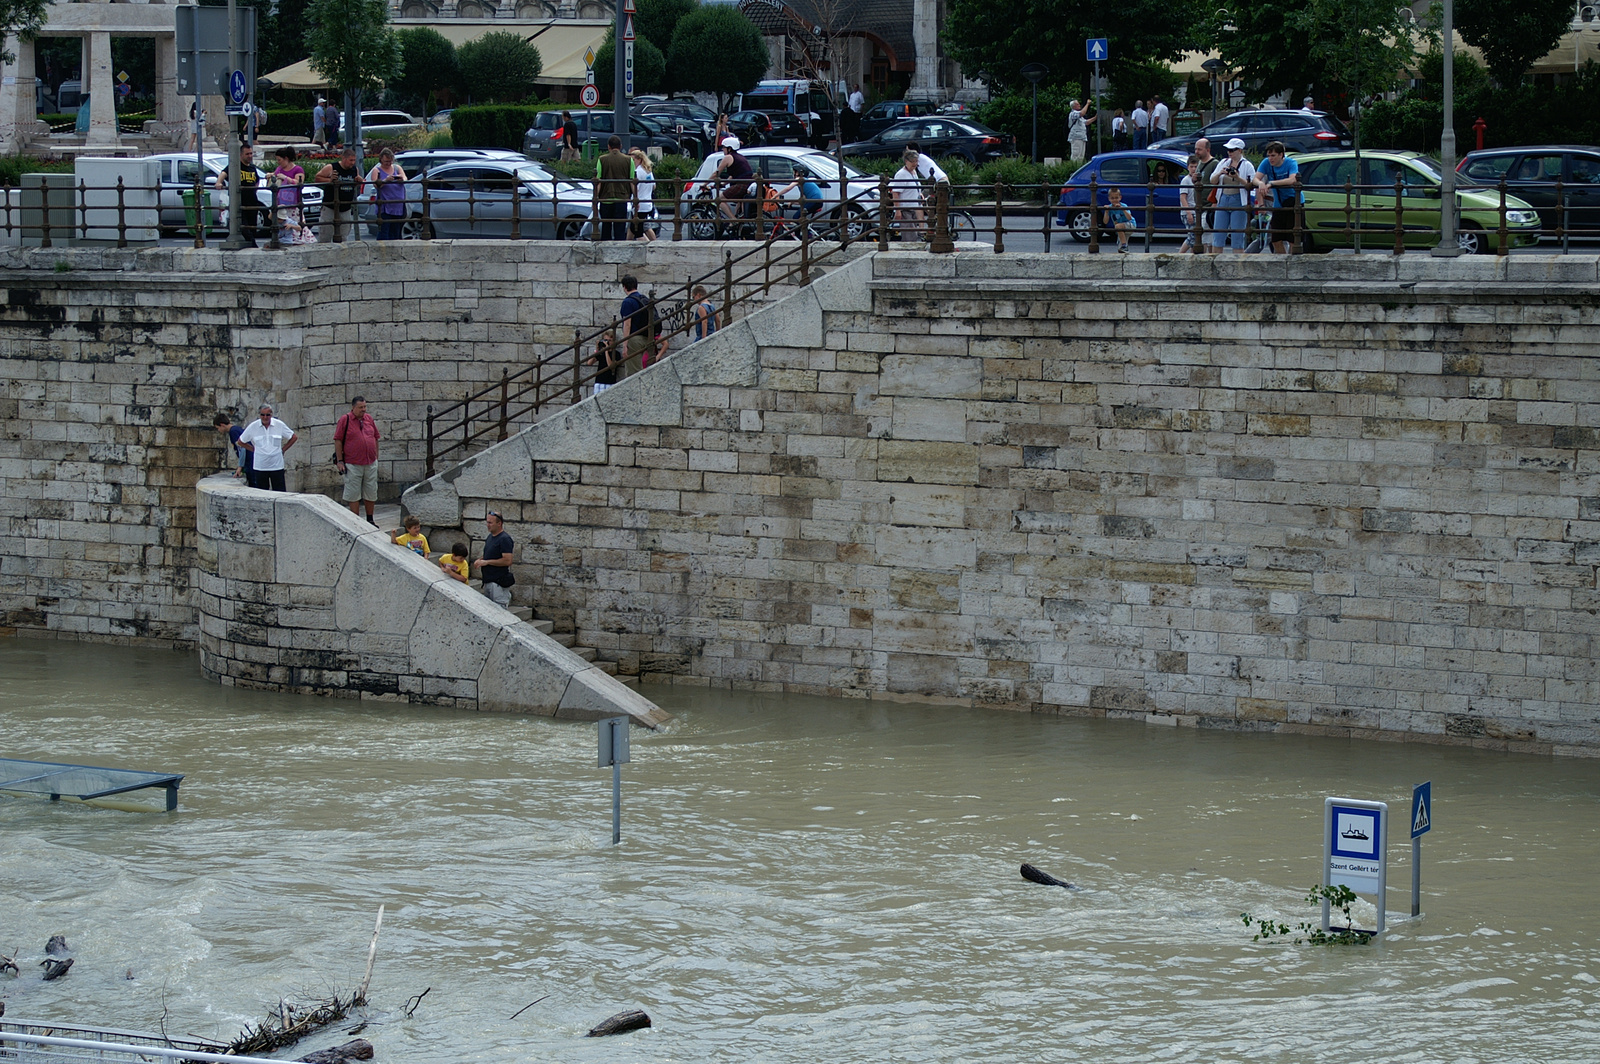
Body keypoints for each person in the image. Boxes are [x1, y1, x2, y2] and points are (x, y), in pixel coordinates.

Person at [334, 395, 380, 522]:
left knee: (371, 491)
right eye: (360, 407)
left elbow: (375, 437)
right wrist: (340, 461)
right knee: (353, 493)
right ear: (353, 408)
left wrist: (376, 456)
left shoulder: (369, 419)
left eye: (365, 406)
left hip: (370, 462)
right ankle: (356, 521)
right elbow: (338, 440)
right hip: (353, 463)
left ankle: (370, 519)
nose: (363, 409)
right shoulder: (345, 420)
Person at [1255, 140, 1301, 255]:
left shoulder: (1291, 163)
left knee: (1293, 238)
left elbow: (1292, 179)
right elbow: (1255, 178)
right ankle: (1282, 259)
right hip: (1278, 203)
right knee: (1275, 238)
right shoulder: (1266, 163)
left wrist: (1272, 183)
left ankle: (1291, 261)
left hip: (1293, 201)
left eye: (1273, 155)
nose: (1271, 158)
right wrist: (1260, 183)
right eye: (1269, 155)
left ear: (1281, 155)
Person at [1211, 137, 1256, 253]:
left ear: (1240, 150)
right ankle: (1216, 262)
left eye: (1232, 150)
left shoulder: (1247, 165)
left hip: (1239, 200)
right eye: (1228, 150)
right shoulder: (1223, 162)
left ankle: (1238, 264)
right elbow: (1212, 180)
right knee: (1218, 234)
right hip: (1223, 198)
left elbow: (1252, 185)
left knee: (1237, 236)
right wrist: (1221, 172)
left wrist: (1237, 177)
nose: (1229, 152)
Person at [237, 404, 296, 492]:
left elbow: (293, 437)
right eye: (262, 415)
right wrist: (254, 449)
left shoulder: (279, 425)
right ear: (259, 415)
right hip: (260, 466)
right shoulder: (253, 426)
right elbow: (241, 441)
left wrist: (283, 450)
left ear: (271, 415)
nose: (265, 417)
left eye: (267, 415)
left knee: (280, 492)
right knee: (262, 492)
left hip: (276, 465)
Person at [314, 147, 364, 243]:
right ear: (344, 159)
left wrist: (358, 182)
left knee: (343, 236)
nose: (353, 162)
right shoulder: (332, 167)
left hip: (346, 207)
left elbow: (354, 185)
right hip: (330, 206)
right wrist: (329, 180)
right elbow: (317, 178)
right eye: (350, 160)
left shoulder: (354, 169)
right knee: (325, 235)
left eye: (354, 160)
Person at [218, 144, 264, 246]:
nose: (250, 156)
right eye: (247, 154)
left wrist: (254, 189)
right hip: (239, 202)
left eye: (251, 153)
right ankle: (253, 245)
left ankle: (250, 244)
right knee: (244, 226)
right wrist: (219, 182)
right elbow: (223, 173)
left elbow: (257, 180)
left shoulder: (252, 167)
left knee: (253, 226)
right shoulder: (235, 166)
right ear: (241, 155)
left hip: (252, 201)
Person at [472, 511, 515, 607]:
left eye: (490, 523)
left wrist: (486, 562)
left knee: (500, 612)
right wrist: (480, 560)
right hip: (488, 581)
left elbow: (508, 560)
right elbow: (490, 555)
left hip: (498, 583)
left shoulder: (505, 539)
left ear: (499, 523)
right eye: (487, 522)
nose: (488, 525)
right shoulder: (490, 537)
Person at [596, 135, 634, 241]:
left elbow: (598, 181)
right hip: (622, 198)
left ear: (608, 147)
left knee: (606, 227)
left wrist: (595, 198)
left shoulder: (602, 160)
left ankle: (605, 250)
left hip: (605, 198)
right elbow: (632, 181)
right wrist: (635, 198)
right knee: (620, 228)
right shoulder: (628, 160)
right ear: (620, 146)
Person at [270, 147, 312, 244]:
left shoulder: (297, 169)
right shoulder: (279, 169)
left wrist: (286, 178)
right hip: (282, 202)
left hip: (293, 203)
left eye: (279, 160)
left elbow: (299, 182)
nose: (278, 162)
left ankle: (299, 239)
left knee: (296, 221)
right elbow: (274, 175)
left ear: (286, 159)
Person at [367, 148, 407, 241]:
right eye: (386, 161)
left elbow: (405, 178)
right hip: (385, 205)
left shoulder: (397, 168)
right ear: (381, 159)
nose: (388, 163)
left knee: (396, 231)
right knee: (384, 230)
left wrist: (401, 179)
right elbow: (375, 184)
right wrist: (386, 180)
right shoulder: (376, 170)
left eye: (390, 161)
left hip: (398, 205)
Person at [714, 136, 754, 229]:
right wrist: (724, 183)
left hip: (742, 184)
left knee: (719, 199)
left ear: (729, 148)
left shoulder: (728, 157)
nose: (722, 149)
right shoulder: (740, 157)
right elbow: (735, 174)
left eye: (723, 147)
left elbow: (716, 173)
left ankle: (733, 220)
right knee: (738, 202)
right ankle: (738, 223)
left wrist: (704, 184)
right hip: (748, 184)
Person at [618, 275, 651, 378]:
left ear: (624, 287)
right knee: (640, 368)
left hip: (634, 339)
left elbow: (627, 324)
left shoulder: (628, 302)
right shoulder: (643, 299)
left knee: (634, 372)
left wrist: (625, 345)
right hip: (646, 337)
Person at [890, 148, 927, 240]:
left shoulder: (913, 172)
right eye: (912, 162)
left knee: (915, 235)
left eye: (916, 161)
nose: (915, 164)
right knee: (910, 237)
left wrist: (920, 194)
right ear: (906, 161)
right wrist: (898, 210)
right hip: (906, 209)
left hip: (915, 207)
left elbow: (915, 186)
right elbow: (895, 192)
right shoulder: (901, 174)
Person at [1193, 137, 1221, 252]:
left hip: (1208, 205)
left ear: (1207, 150)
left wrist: (1214, 203)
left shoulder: (1214, 164)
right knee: (1203, 234)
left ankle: (1206, 257)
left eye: (1199, 149)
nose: (1196, 152)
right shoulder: (1200, 163)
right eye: (1196, 149)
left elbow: (1217, 183)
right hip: (1200, 205)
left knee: (1205, 234)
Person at [213, 411, 254, 487]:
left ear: (222, 425)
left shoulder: (233, 432)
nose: (218, 430)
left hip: (250, 462)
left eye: (218, 428)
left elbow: (242, 449)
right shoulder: (236, 429)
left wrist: (240, 467)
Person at [628, 149, 658, 241]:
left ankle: (651, 246)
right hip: (647, 203)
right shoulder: (648, 171)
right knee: (635, 228)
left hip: (639, 205)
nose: (632, 163)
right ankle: (626, 244)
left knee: (637, 231)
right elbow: (654, 186)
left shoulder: (637, 172)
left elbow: (635, 189)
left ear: (639, 159)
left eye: (633, 160)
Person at [1178, 153, 1202, 253]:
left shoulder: (1198, 180)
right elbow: (1183, 198)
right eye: (1191, 167)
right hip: (1188, 212)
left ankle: (1192, 255)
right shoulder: (1186, 180)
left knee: (1196, 237)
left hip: (1195, 211)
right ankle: (1180, 255)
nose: (1193, 169)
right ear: (1188, 167)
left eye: (1196, 167)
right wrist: (1188, 213)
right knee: (1192, 237)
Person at [587, 329, 620, 394]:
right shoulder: (601, 353)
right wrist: (597, 350)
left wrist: (606, 351)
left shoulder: (616, 353)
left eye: (610, 341)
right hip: (599, 381)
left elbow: (610, 366)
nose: (608, 342)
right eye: (606, 340)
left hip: (610, 382)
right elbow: (589, 362)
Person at [1103, 185, 1135, 252]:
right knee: (1120, 249)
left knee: (1118, 226)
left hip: (1130, 224)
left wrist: (1123, 209)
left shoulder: (1124, 205)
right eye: (1112, 198)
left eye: (1116, 198)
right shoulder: (1110, 207)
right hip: (1121, 228)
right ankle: (1124, 248)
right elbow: (1105, 222)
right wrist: (1106, 212)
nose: (1114, 200)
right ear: (1109, 198)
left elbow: (1129, 218)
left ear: (1120, 198)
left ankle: (1124, 245)